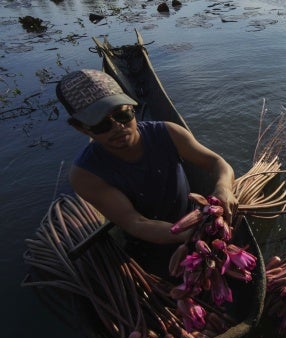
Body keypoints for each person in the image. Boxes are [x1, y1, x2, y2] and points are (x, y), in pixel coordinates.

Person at [56, 69, 236, 274]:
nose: (118, 128)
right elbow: (136, 222)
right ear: (81, 128)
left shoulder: (169, 133)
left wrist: (223, 187)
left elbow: (217, 162)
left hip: (193, 218)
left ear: (133, 107)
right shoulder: (85, 175)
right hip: (149, 240)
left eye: (123, 115)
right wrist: (186, 235)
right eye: (101, 125)